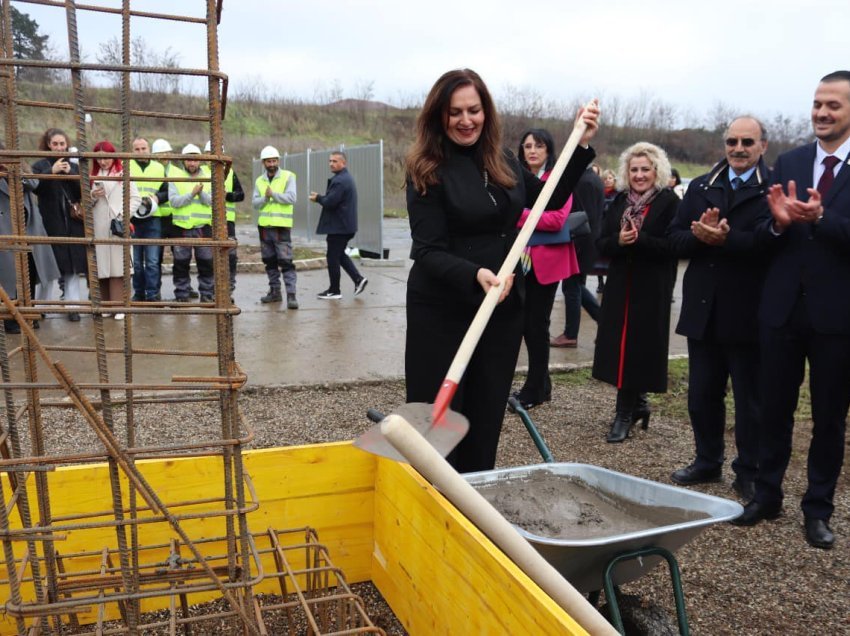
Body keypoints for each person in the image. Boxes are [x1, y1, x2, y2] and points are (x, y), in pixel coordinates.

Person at [404, 68, 599, 473]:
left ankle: (474, 499)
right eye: (455, 112)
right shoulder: (426, 168)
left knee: (486, 408)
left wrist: (578, 145)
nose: (465, 120)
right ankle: (437, 499)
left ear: (485, 112)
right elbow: (427, 251)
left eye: (473, 110)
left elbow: (550, 196)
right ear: (439, 116)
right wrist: (475, 273)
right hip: (443, 309)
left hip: (501, 308)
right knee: (439, 420)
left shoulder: (502, 159)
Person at [731, 71, 850, 550]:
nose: (822, 113)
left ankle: (818, 509)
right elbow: (764, 231)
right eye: (817, 103)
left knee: (828, 417)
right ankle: (767, 493)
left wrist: (823, 220)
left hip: (836, 316)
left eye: (833, 106)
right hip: (780, 312)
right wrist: (778, 225)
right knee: (772, 410)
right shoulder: (790, 161)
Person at [668, 117, 773, 502]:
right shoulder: (700, 187)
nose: (738, 148)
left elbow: (770, 243)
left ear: (763, 145)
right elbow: (675, 239)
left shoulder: (771, 190)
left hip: (748, 310)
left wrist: (724, 240)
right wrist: (699, 237)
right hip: (703, 308)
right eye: (732, 141)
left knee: (750, 401)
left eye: (748, 141)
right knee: (702, 395)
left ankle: (749, 470)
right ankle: (707, 460)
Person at [592, 142, 679, 443]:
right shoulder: (618, 201)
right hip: (620, 284)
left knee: (639, 348)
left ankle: (624, 414)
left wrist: (640, 240)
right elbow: (602, 242)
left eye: (645, 169)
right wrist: (620, 239)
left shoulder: (669, 202)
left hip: (651, 285)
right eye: (634, 169)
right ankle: (637, 405)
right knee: (620, 346)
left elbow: (673, 246)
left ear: (657, 171)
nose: (639, 175)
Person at [511, 128, 578, 408]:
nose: (532, 151)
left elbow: (556, 219)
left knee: (536, 327)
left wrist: (517, 215)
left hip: (545, 265)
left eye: (538, 145)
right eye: (527, 146)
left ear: (549, 150)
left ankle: (534, 389)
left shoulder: (558, 181)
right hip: (518, 263)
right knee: (524, 325)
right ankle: (543, 384)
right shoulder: (517, 180)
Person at [0, 145, 60, 333]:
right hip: (6, 231)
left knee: (30, 274)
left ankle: (29, 314)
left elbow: (34, 184)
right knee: (10, 278)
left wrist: (12, 172)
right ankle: (11, 319)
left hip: (28, 229)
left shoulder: (20, 169)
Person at [32, 128, 85, 321]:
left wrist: (70, 174)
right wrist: (51, 172)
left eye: (62, 144)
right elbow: (35, 187)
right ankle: (41, 307)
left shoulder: (74, 166)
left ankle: (73, 307)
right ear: (48, 144)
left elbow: (81, 193)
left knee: (71, 269)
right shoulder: (40, 166)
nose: (60, 147)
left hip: (72, 225)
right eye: (55, 144)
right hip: (50, 224)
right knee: (48, 270)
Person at [551, 165, 604, 348]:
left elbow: (584, 217)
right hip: (585, 242)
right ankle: (606, 322)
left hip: (581, 243)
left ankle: (570, 335)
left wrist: (577, 245)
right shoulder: (590, 178)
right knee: (575, 286)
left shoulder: (585, 181)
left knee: (571, 287)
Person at [90, 140, 140, 320]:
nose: (103, 161)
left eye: (107, 157)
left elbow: (136, 198)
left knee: (119, 266)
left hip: (117, 225)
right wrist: (92, 196)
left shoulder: (123, 172)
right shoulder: (92, 175)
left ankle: (119, 306)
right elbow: (85, 203)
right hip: (99, 226)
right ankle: (105, 305)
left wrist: (122, 215)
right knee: (102, 267)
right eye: (99, 158)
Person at [309, 151, 367, 299]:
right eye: (330, 161)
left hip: (339, 228)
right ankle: (358, 280)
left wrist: (318, 198)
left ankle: (334, 290)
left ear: (343, 163)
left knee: (332, 257)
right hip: (343, 226)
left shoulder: (341, 180)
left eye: (335, 161)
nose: (331, 164)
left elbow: (330, 202)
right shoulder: (343, 178)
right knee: (339, 255)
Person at [252, 145, 298, 309]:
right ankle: (275, 292)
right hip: (265, 227)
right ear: (263, 163)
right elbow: (255, 204)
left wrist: (273, 195)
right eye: (268, 161)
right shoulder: (259, 180)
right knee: (269, 262)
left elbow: (291, 198)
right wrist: (265, 198)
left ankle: (291, 296)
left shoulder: (288, 177)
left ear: (278, 161)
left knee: (286, 262)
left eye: (274, 161)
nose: (271, 164)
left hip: (281, 227)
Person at [169, 144, 214, 303]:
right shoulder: (175, 176)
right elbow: (174, 202)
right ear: (183, 161)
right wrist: (192, 194)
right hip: (182, 228)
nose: (192, 163)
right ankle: (182, 295)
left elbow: (212, 201)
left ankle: (207, 294)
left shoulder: (210, 176)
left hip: (203, 228)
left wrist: (201, 193)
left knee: (207, 264)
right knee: (180, 264)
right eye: (188, 160)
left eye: (195, 159)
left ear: (200, 160)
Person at [204, 141, 244, 296]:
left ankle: (228, 290)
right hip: (207, 221)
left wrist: (227, 195)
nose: (212, 157)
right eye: (209, 153)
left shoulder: (230, 172)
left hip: (228, 222)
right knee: (209, 258)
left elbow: (241, 195)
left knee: (230, 257)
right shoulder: (200, 171)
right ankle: (211, 291)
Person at [129, 137, 164, 302]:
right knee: (136, 262)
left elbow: (167, 190)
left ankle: (153, 293)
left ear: (149, 149)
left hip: (152, 218)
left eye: (143, 148)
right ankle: (139, 293)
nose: (141, 152)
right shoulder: (126, 166)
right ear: (132, 150)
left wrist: (158, 197)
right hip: (133, 218)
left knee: (151, 261)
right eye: (137, 149)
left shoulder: (159, 167)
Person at [595, 168, 618, 293]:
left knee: (610, 257)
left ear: (614, 179)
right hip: (600, 227)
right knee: (600, 257)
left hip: (612, 228)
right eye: (605, 179)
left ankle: (610, 282)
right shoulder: (600, 193)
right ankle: (600, 282)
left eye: (610, 178)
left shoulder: (618, 194)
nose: (607, 181)